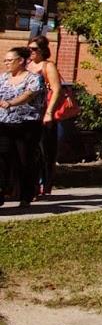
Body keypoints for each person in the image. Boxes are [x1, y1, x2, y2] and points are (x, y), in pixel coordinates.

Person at [0, 46, 44, 208]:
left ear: (21, 61)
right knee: (2, 157)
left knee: (24, 160)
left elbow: (28, 95)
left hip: (27, 125)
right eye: (5, 60)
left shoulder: (33, 79)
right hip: (4, 124)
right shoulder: (3, 78)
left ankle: (26, 194)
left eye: (9, 60)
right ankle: (2, 191)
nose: (6, 63)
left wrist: (10, 103)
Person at [26, 36, 70, 198]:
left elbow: (57, 90)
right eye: (29, 49)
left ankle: (44, 184)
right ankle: (28, 184)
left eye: (34, 49)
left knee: (44, 151)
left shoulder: (48, 66)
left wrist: (49, 113)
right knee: (29, 150)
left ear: (43, 50)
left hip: (44, 112)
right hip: (27, 114)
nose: (31, 52)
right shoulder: (26, 65)